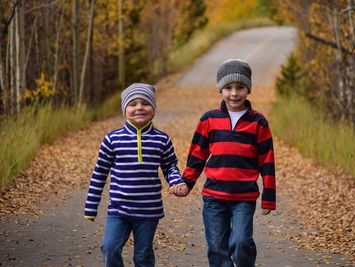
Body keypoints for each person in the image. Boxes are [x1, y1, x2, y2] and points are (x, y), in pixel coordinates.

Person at [171, 59, 276, 267]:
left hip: (244, 197)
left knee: (241, 242)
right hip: (214, 197)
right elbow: (197, 156)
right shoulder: (208, 119)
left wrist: (269, 196)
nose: (234, 93)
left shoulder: (259, 122)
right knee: (217, 249)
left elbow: (267, 161)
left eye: (240, 87)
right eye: (228, 88)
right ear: (221, 90)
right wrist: (186, 183)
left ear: (248, 90)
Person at [84, 83, 188, 267]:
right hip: (119, 209)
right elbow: (100, 172)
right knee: (109, 248)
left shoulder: (161, 139)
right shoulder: (112, 139)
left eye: (145, 103)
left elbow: (170, 166)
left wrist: (176, 182)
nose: (139, 107)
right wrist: (91, 207)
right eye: (132, 104)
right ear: (125, 109)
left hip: (149, 210)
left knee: (143, 255)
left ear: (153, 109)